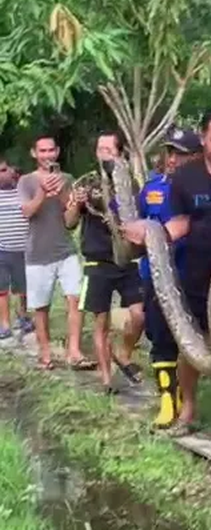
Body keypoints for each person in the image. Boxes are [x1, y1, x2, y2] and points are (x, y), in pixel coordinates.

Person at [125, 108, 211, 451]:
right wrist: (154, 236)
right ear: (203, 139)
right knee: (192, 348)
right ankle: (188, 409)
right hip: (197, 273)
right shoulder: (186, 178)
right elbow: (182, 222)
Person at [65, 131, 144, 393]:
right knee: (101, 322)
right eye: (100, 149)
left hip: (126, 259)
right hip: (97, 262)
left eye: (109, 149)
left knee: (139, 314)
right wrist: (76, 204)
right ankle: (107, 380)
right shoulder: (87, 183)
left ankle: (123, 354)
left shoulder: (130, 184)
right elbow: (69, 223)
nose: (103, 154)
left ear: (119, 153)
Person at [138, 127, 203, 428]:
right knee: (160, 338)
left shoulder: (206, 190)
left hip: (195, 273)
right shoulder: (152, 189)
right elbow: (134, 226)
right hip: (158, 276)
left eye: (182, 153)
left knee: (191, 338)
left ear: (196, 157)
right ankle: (167, 400)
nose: (175, 159)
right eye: (171, 152)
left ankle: (190, 400)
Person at [17, 135, 92, 371]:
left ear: (57, 152)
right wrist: (42, 192)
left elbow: (70, 222)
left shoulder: (68, 179)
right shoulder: (26, 182)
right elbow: (27, 213)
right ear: (34, 154)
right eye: (42, 151)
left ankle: (74, 351)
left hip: (66, 250)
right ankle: (46, 352)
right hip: (37, 253)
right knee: (41, 306)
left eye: (51, 150)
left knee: (76, 299)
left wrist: (67, 199)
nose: (47, 155)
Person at [0, 156, 33, 339]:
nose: (2, 175)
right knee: (1, 289)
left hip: (24, 248)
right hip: (2, 249)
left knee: (22, 287)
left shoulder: (22, 192)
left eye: (4, 170)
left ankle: (23, 317)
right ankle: (4, 325)